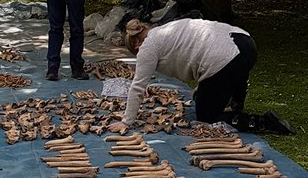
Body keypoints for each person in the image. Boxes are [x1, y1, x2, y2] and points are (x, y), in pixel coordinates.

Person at [110, 17, 259, 134]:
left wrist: (126, 122)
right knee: (202, 94)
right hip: (246, 42)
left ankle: (262, 121)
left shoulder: (148, 47)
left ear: (136, 44)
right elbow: (199, 48)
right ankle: (237, 102)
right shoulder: (165, 30)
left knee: (206, 117)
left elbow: (137, 87)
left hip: (229, 59)